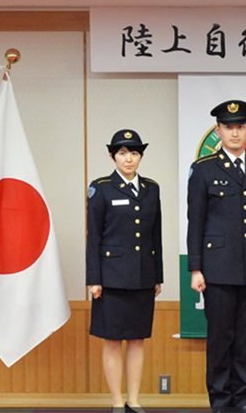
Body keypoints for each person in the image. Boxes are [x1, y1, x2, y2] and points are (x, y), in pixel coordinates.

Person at [187, 100, 246, 413]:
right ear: (218, 131)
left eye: (240, 126)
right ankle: (220, 400)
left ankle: (242, 398)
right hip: (217, 268)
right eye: (228, 127)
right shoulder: (204, 169)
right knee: (220, 337)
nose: (235, 133)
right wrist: (196, 268)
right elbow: (195, 221)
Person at [86, 129, 163, 413]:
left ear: (140, 156)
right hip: (111, 279)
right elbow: (93, 236)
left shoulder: (151, 188)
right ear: (112, 156)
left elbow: (155, 235)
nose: (128, 159)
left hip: (143, 276)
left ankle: (134, 400)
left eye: (134, 153)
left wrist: (157, 275)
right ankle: (117, 402)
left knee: (137, 340)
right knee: (112, 341)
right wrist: (94, 278)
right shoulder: (102, 187)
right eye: (122, 153)